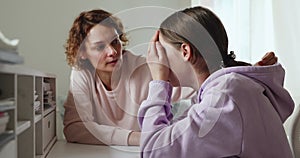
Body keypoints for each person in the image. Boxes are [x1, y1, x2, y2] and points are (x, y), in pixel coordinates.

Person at [63, 8, 278, 146]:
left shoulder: (224, 95)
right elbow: (74, 128)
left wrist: (244, 70)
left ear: (185, 52)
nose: (112, 52)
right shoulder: (82, 75)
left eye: (116, 41)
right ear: (82, 52)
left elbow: (199, 84)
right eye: (100, 47)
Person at [138, 6, 294, 157]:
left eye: (162, 52)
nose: (158, 61)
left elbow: (154, 151)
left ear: (185, 51)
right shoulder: (231, 89)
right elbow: (175, 135)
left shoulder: (225, 96)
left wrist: (158, 82)